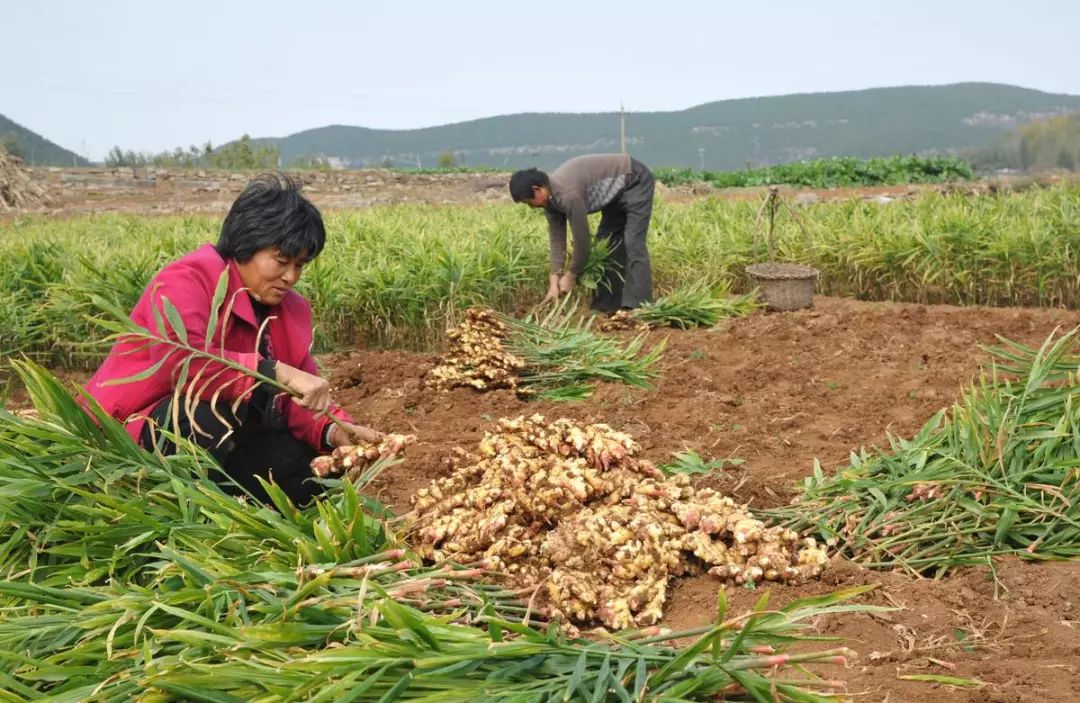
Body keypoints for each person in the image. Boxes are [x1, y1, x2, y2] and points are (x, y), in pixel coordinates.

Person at [86, 173, 386, 505]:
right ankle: (185, 509)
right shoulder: (186, 281)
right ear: (246, 244)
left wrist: (336, 431)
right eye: (282, 261)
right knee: (203, 418)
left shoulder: (290, 310)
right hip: (139, 428)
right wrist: (276, 372)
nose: (291, 277)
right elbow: (185, 364)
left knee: (312, 473)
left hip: (233, 432)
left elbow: (297, 398)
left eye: (300, 265)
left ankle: (240, 508)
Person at [509, 153, 655, 313]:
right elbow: (557, 241)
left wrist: (572, 275)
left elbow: (582, 241)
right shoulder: (549, 200)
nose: (531, 207)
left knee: (633, 242)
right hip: (614, 194)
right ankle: (607, 306)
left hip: (634, 179)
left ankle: (641, 306)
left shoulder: (568, 196)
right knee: (606, 244)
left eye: (529, 202)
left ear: (537, 190)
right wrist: (554, 279)